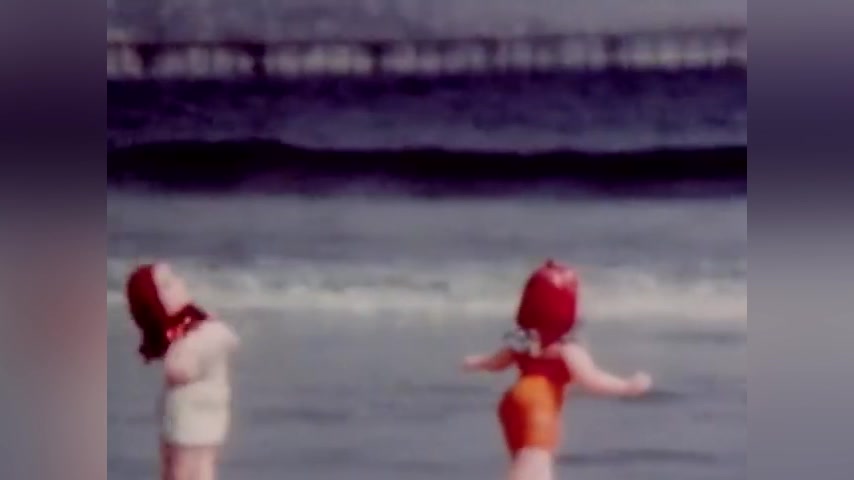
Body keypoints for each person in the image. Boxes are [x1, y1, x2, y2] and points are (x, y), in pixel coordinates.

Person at [462, 260, 652, 480]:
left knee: (532, 464)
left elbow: (496, 362)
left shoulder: (524, 342)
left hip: (513, 401)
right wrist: (627, 386)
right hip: (540, 404)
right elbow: (591, 380)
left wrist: (476, 362)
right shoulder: (566, 348)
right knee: (534, 464)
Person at [126, 262, 239, 480]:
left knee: (189, 466)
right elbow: (180, 368)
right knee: (187, 468)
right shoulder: (189, 334)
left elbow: (224, 340)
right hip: (193, 412)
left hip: (202, 410)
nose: (179, 283)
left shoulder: (194, 326)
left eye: (174, 278)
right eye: (167, 285)